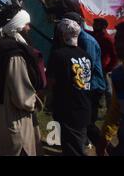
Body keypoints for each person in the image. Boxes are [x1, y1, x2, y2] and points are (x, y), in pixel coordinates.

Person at [0, 8, 44, 156]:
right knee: (20, 149)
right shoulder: (15, 55)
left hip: (2, 111)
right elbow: (21, 95)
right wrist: (36, 102)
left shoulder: (1, 47)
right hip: (16, 116)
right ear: (17, 25)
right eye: (26, 24)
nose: (28, 28)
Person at [47, 18, 92, 156]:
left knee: (73, 149)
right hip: (84, 106)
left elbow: (51, 81)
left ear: (61, 35)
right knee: (77, 144)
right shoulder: (85, 55)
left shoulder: (58, 55)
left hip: (67, 108)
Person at [62, 12, 106, 147]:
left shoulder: (86, 41)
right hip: (84, 85)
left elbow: (87, 66)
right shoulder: (75, 39)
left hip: (92, 86)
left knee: (87, 121)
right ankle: (86, 143)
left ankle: (103, 145)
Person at [96, 22, 124, 156]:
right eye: (118, 39)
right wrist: (104, 138)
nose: (118, 44)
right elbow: (116, 110)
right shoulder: (119, 74)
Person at [88, 18, 118, 108]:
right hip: (95, 67)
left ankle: (110, 109)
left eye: (96, 24)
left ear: (103, 26)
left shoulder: (107, 38)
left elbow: (114, 56)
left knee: (108, 91)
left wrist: (108, 69)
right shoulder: (94, 35)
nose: (93, 26)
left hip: (104, 69)